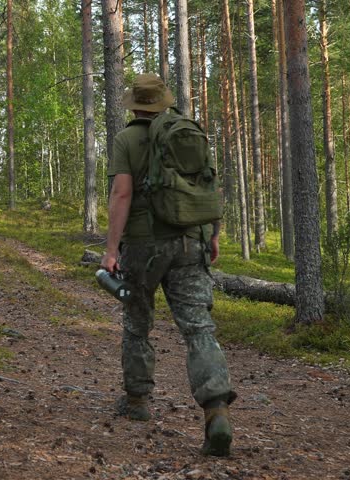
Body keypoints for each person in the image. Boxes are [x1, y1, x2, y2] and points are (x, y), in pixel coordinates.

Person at [100, 73, 237, 457]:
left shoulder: (127, 139)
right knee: (198, 328)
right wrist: (212, 234)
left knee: (138, 323)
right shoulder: (189, 133)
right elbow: (209, 187)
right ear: (162, 102)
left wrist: (111, 249)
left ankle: (138, 401)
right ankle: (216, 409)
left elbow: (121, 193)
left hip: (144, 245)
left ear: (136, 105)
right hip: (190, 238)